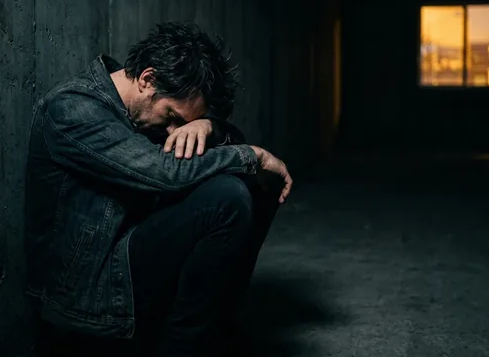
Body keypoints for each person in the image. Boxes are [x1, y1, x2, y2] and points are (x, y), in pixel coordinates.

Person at [24, 22, 293, 356]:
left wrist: (205, 125)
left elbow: (216, 150)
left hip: (129, 246)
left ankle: (214, 328)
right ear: (147, 79)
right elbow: (165, 172)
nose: (172, 132)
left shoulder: (143, 109)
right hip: (90, 286)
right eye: (172, 117)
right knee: (227, 197)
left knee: (256, 185)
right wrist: (252, 154)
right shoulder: (72, 110)